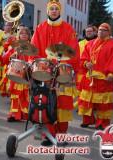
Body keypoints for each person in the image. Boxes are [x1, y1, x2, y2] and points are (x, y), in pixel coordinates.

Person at [29, 0, 80, 145]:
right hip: (45, 72)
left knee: (62, 105)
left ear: (59, 11)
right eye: (51, 9)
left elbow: (74, 50)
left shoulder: (68, 28)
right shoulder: (40, 28)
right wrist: (35, 66)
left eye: (56, 9)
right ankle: (48, 135)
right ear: (47, 11)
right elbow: (34, 49)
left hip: (62, 72)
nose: (53, 11)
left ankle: (61, 136)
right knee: (47, 103)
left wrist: (65, 66)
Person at [78, 23, 113, 130]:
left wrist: (112, 73)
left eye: (103, 30)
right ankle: (87, 120)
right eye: (99, 30)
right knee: (86, 100)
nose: (100, 32)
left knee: (103, 103)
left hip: (104, 78)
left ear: (108, 32)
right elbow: (83, 57)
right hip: (90, 77)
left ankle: (102, 124)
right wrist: (85, 64)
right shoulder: (91, 43)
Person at [3, 27, 30, 122]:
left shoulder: (32, 47)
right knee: (15, 95)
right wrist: (11, 57)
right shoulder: (14, 46)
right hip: (15, 73)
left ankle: (25, 113)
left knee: (24, 94)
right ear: (19, 35)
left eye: (26, 33)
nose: (24, 34)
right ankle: (14, 114)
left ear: (28, 36)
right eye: (22, 33)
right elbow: (5, 58)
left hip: (26, 74)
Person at [74, 25, 97, 109]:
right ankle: (81, 104)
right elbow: (77, 57)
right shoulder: (80, 43)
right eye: (87, 31)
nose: (88, 33)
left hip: (94, 70)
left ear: (94, 32)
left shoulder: (97, 42)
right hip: (81, 70)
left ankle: (93, 105)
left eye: (90, 31)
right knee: (81, 88)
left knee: (93, 88)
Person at [0, 22, 16, 97]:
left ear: (12, 26)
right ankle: (2, 88)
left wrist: (13, 37)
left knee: (7, 71)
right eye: (6, 25)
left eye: (9, 25)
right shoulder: (0, 33)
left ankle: (8, 88)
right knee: (1, 72)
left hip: (9, 54)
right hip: (1, 54)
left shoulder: (15, 35)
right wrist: (1, 38)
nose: (7, 27)